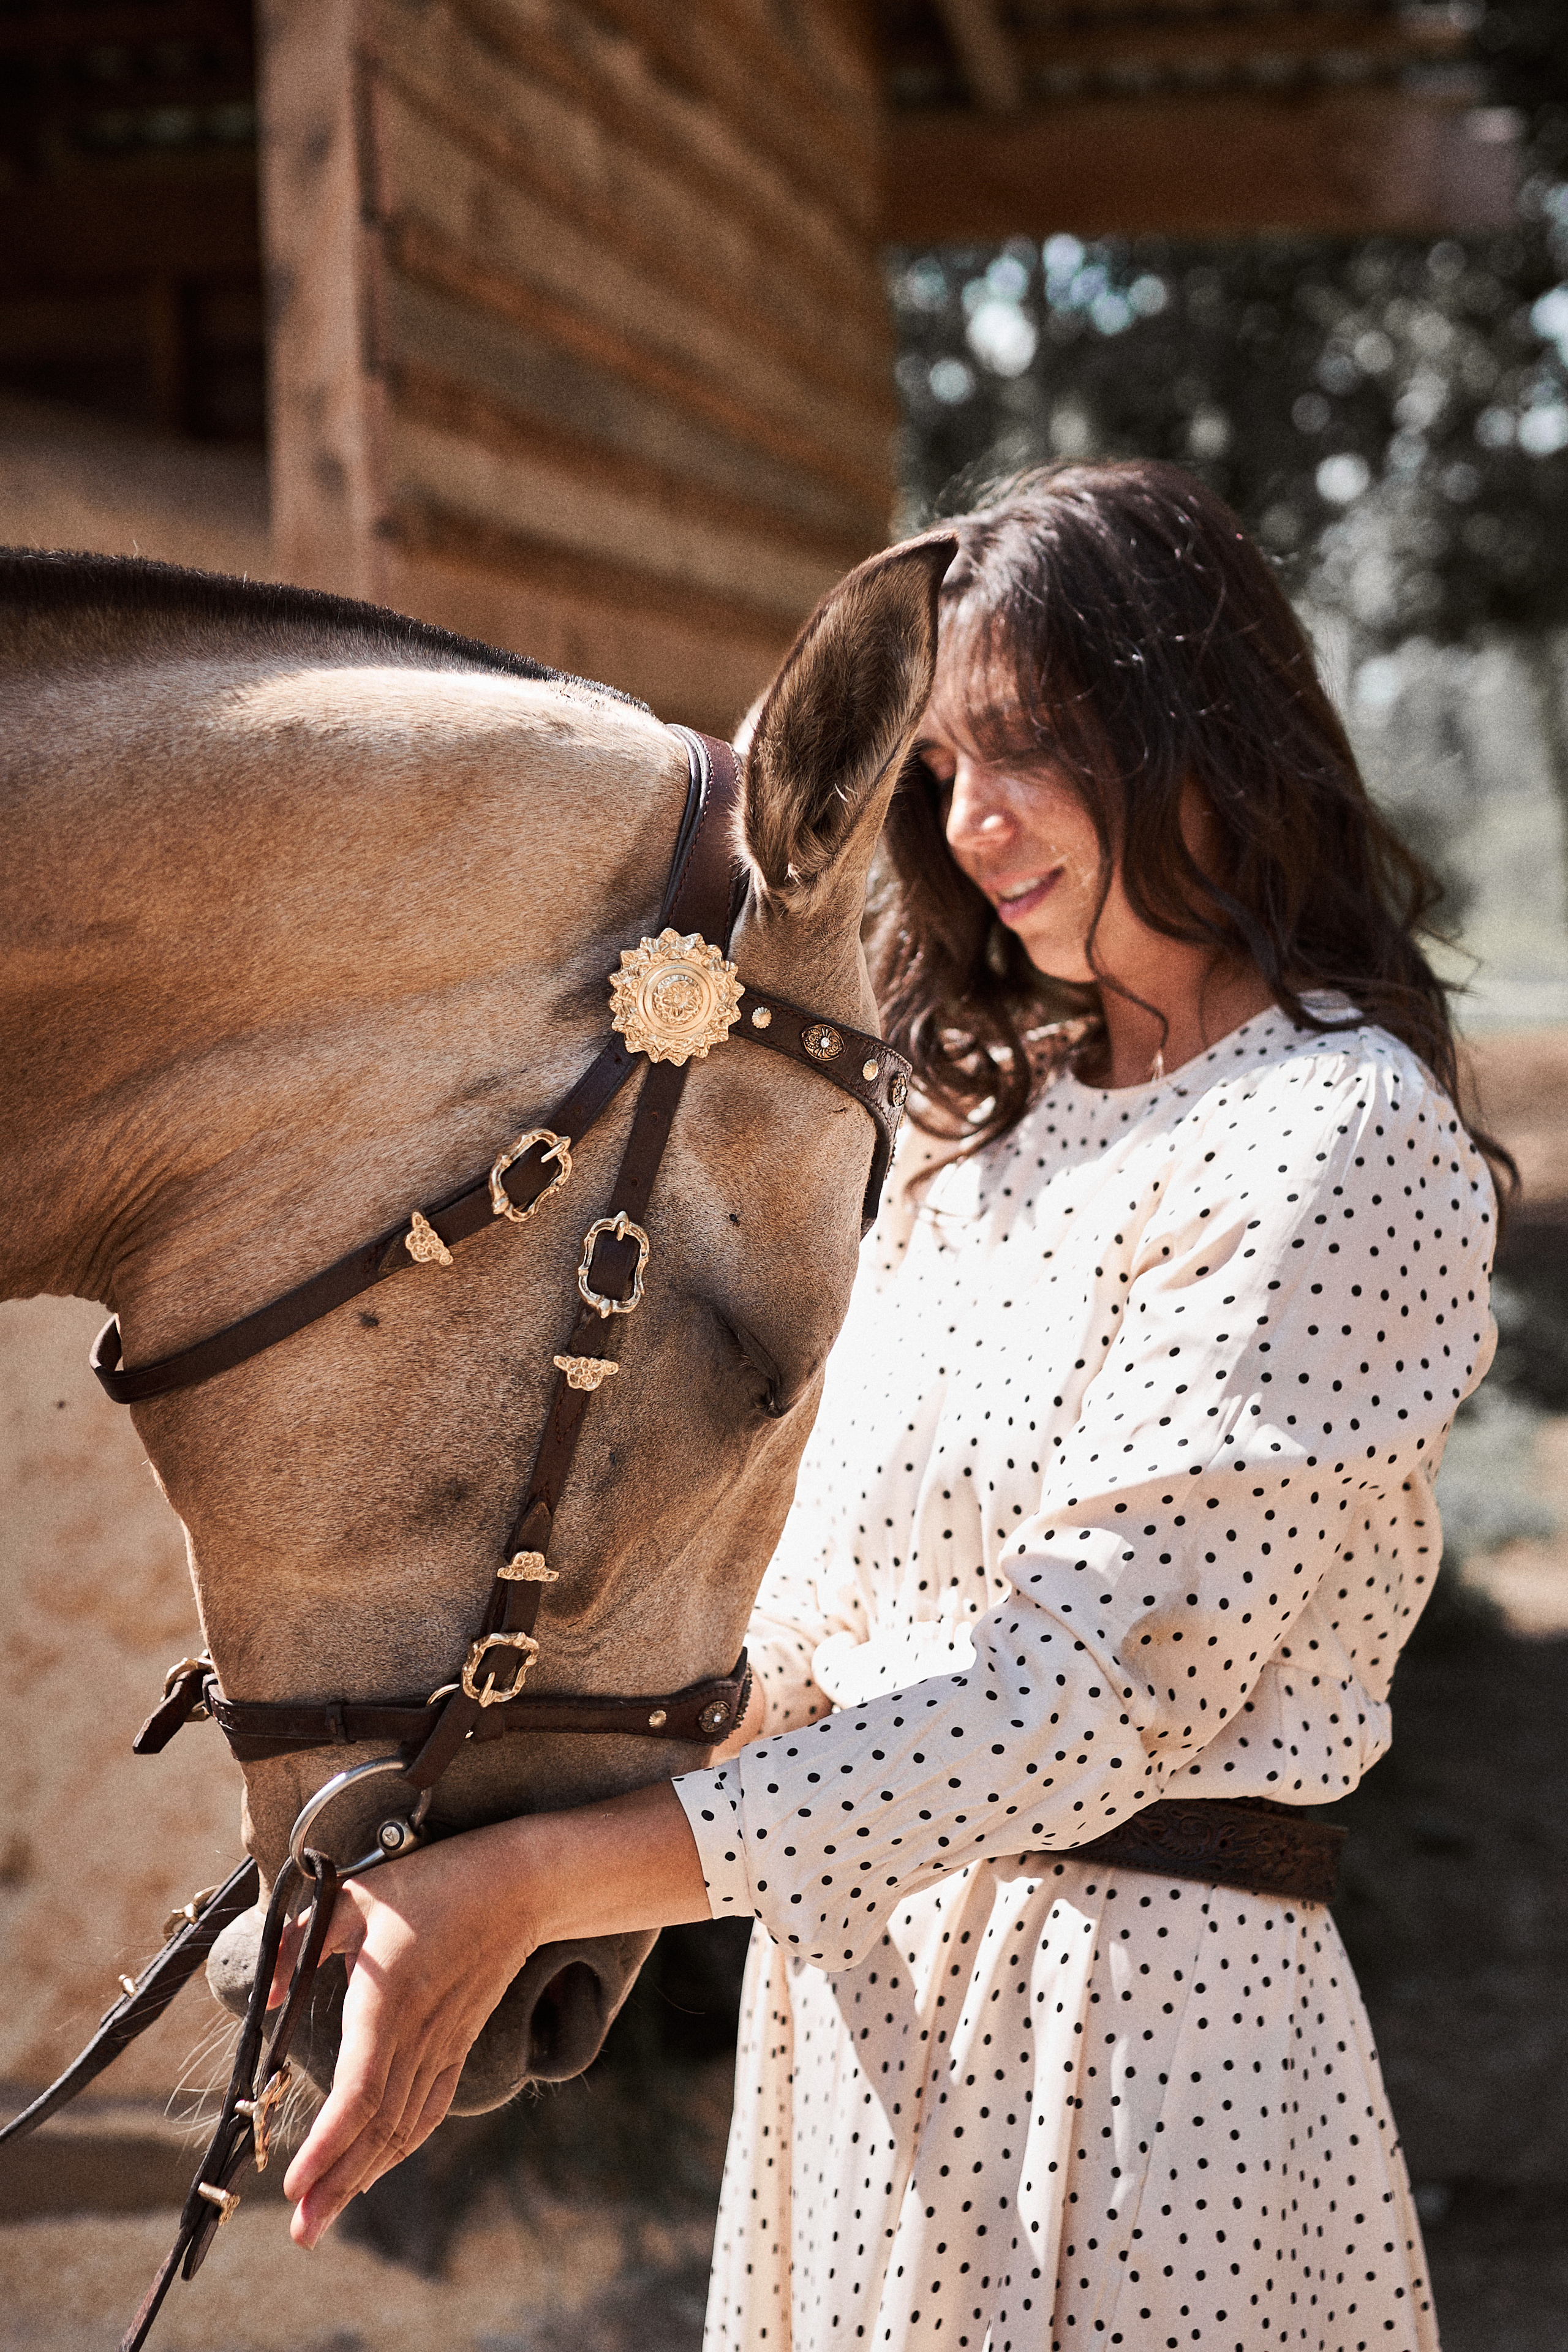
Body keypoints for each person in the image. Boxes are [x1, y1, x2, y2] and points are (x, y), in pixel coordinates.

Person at [276, 462, 1504, 2352]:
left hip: (1141, 2067)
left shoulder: (1342, 1143)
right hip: (858, 2044)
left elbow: (1084, 1701)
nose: (978, 822)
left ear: (1200, 728)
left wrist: (531, 1888)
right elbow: (828, 1651)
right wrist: (447, 1812)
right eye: (940, 768)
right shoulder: (972, 1129)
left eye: (1029, 751)